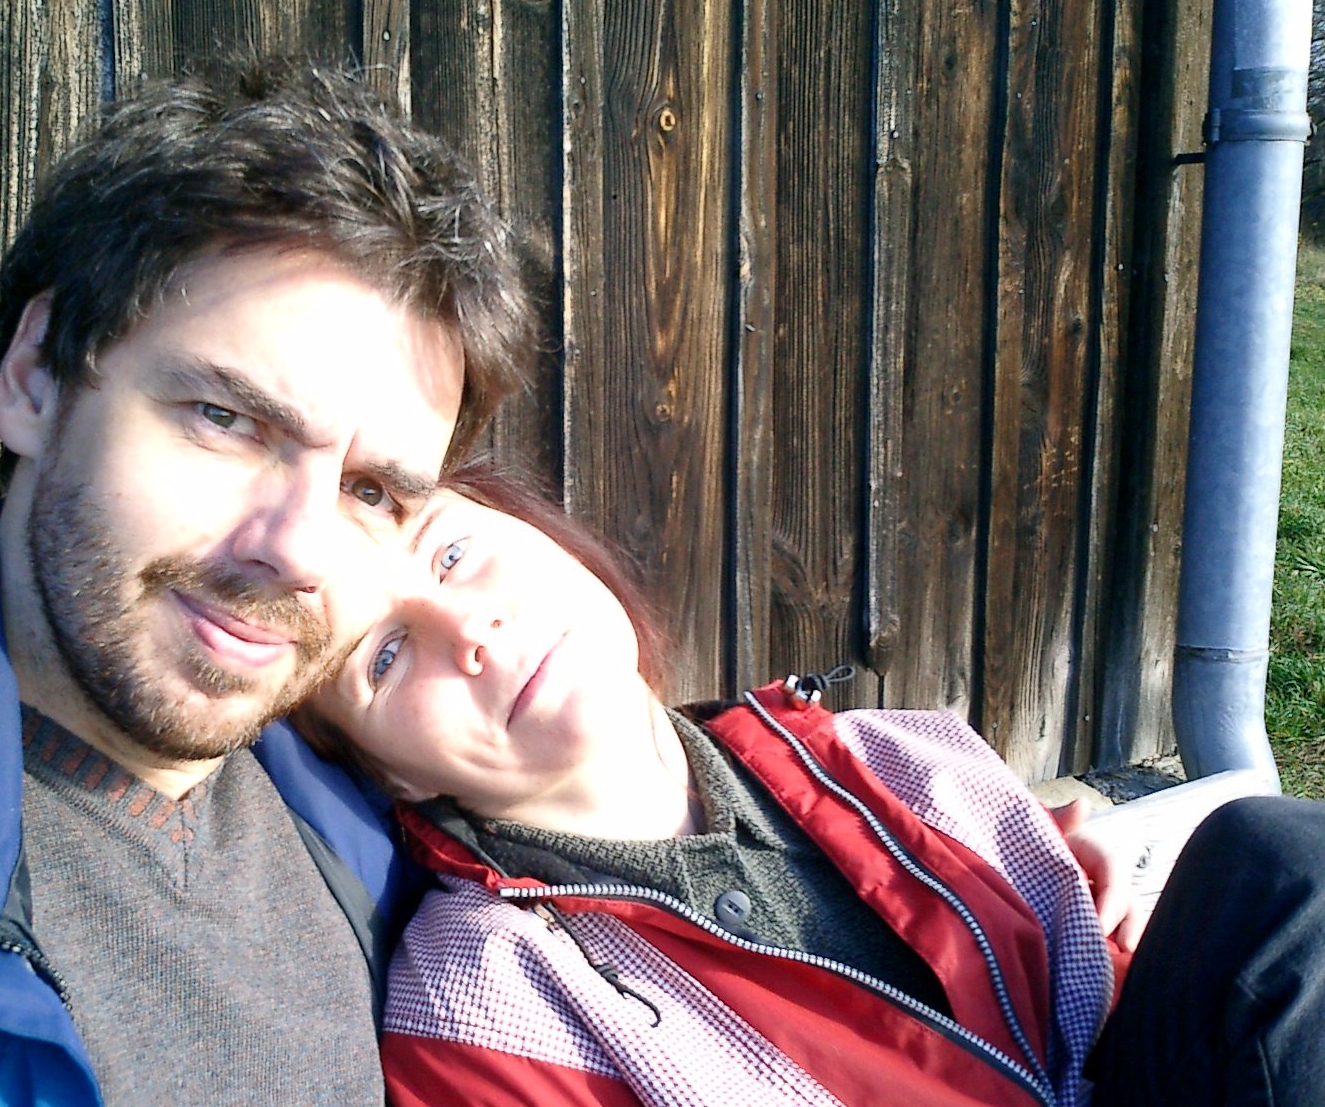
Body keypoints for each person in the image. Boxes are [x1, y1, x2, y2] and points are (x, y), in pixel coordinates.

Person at [0, 61, 532, 1106]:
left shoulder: (375, 844)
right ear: (36, 378)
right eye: (226, 420)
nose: (299, 551)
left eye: (370, 490)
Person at [295, 462, 1325, 1107]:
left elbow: (1089, 1003)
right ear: (384, 773)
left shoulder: (893, 756)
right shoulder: (482, 1008)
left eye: (453, 553)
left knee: (1274, 865)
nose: (469, 629)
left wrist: (1117, 935)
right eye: (384, 656)